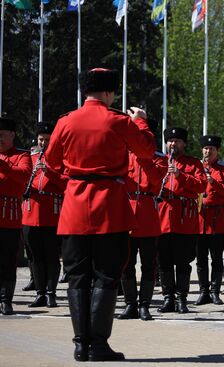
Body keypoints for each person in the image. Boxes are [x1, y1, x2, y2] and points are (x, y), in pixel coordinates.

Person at [45, 68, 156, 361]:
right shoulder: (119, 121)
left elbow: (51, 161)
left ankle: (81, 344)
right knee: (107, 276)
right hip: (110, 206)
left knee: (77, 277)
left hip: (74, 206)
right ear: (108, 92)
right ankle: (99, 344)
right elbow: (146, 151)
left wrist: (72, 178)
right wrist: (141, 121)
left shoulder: (66, 122)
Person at [118, 119, 166, 320]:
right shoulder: (122, 156)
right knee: (126, 264)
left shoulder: (159, 158)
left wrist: (143, 156)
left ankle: (144, 304)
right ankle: (130, 304)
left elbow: (156, 179)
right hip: (126, 212)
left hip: (147, 214)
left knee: (148, 264)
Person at [156, 127, 207, 313]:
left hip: (185, 218)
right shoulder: (160, 162)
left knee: (183, 261)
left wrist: (180, 175)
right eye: (170, 140)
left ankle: (182, 299)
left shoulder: (193, 163)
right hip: (163, 217)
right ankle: (168, 298)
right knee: (164, 261)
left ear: (184, 143)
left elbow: (201, 185)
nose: (173, 144)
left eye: (177, 141)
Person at [22, 122, 67, 308]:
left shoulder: (60, 158)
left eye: (47, 140)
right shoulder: (30, 156)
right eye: (41, 139)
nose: (43, 143)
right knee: (35, 256)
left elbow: (67, 184)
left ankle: (51, 293)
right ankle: (40, 292)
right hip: (30, 212)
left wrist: (50, 172)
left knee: (51, 256)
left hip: (51, 213)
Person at [195, 135, 224, 306]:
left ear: (217, 151)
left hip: (217, 218)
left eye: (211, 149)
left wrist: (214, 182)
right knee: (201, 259)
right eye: (205, 148)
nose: (207, 151)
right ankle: (203, 291)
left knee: (217, 258)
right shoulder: (197, 166)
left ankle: (215, 291)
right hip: (199, 218)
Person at [0, 117, 32, 315]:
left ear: (12, 134)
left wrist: (3, 166)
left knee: (8, 259)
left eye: (2, 134)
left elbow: (24, 175)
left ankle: (5, 299)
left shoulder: (22, 155)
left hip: (9, 216)